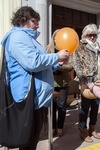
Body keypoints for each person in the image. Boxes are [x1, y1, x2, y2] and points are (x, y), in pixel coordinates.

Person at [1, 6, 69, 150]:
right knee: (27, 141)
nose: (38, 24)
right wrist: (56, 56)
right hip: (27, 98)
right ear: (22, 20)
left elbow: (40, 64)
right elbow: (33, 62)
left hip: (35, 98)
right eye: (34, 21)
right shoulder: (18, 37)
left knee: (32, 140)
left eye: (38, 21)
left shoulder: (28, 38)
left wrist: (56, 63)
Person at [72, 23, 100, 142]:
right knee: (85, 107)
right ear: (85, 35)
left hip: (98, 79)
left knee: (95, 106)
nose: (92, 37)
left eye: (94, 35)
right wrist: (82, 80)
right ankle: (83, 130)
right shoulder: (80, 45)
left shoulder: (98, 46)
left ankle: (93, 128)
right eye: (89, 35)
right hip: (87, 79)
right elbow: (77, 64)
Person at [46, 30, 73, 137]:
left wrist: (58, 66)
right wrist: (54, 63)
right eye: (56, 37)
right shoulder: (48, 49)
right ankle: (52, 127)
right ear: (54, 37)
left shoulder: (68, 49)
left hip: (63, 83)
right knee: (52, 106)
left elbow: (71, 66)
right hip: (51, 82)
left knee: (62, 106)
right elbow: (44, 63)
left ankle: (60, 127)